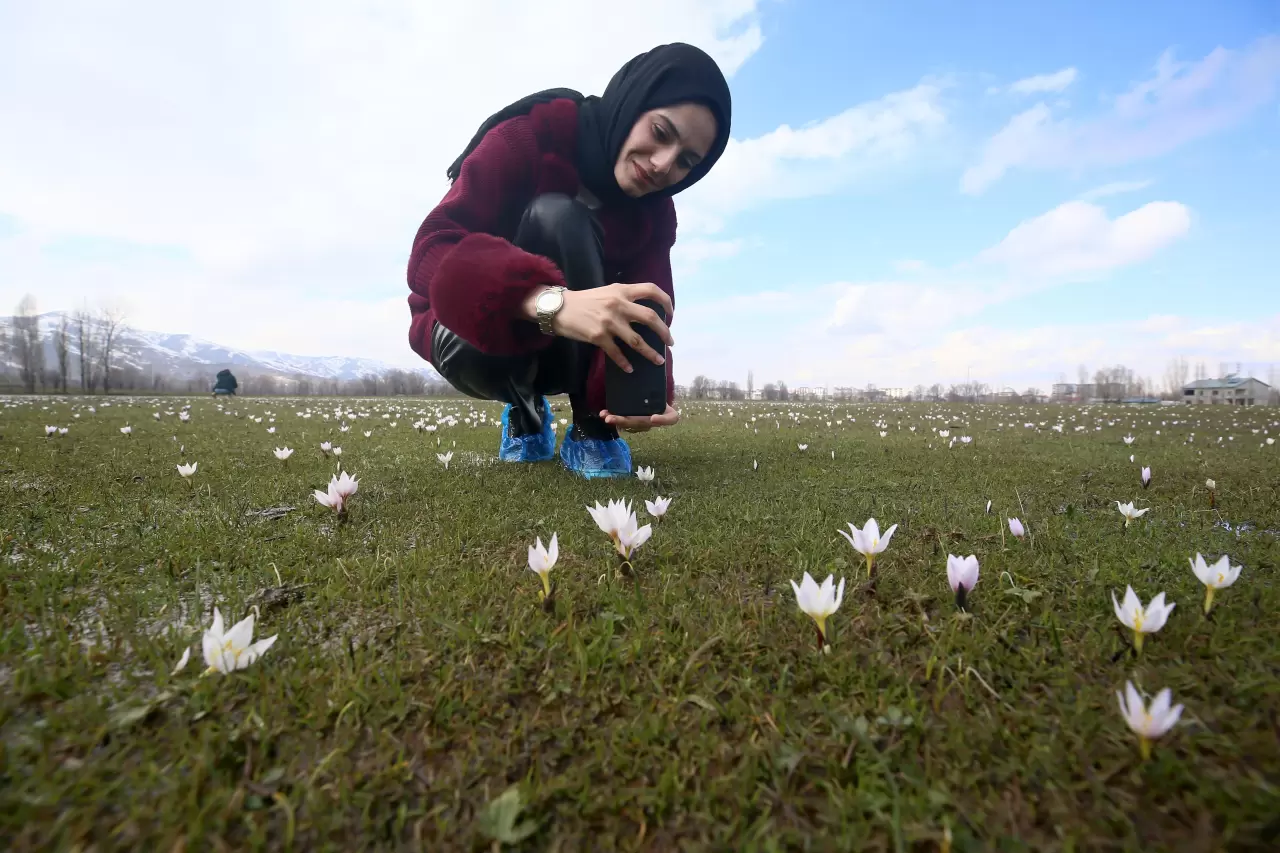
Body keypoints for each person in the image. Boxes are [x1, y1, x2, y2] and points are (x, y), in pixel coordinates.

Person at [406, 43, 731, 477]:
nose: (662, 165)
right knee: (559, 216)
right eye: (660, 132)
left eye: (687, 161)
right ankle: (524, 412)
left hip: (567, 353)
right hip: (467, 333)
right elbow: (431, 252)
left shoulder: (656, 212)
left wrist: (643, 391)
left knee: (610, 283)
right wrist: (548, 302)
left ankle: (590, 430)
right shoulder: (533, 136)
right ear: (632, 102)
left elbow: (650, 304)